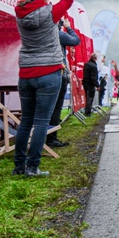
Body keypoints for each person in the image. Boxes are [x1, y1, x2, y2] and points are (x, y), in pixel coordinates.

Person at [13, 0, 76, 177]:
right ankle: (33, 167)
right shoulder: (50, 13)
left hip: (26, 73)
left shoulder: (20, 13)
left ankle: (19, 166)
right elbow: (68, 0)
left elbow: (38, 0)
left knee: (26, 121)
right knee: (41, 122)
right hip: (49, 72)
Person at [46, 20, 80, 149]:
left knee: (44, 108)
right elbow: (75, 40)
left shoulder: (39, 33)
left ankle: (39, 137)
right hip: (58, 72)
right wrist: (68, 27)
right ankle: (51, 138)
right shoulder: (57, 33)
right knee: (56, 107)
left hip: (42, 72)